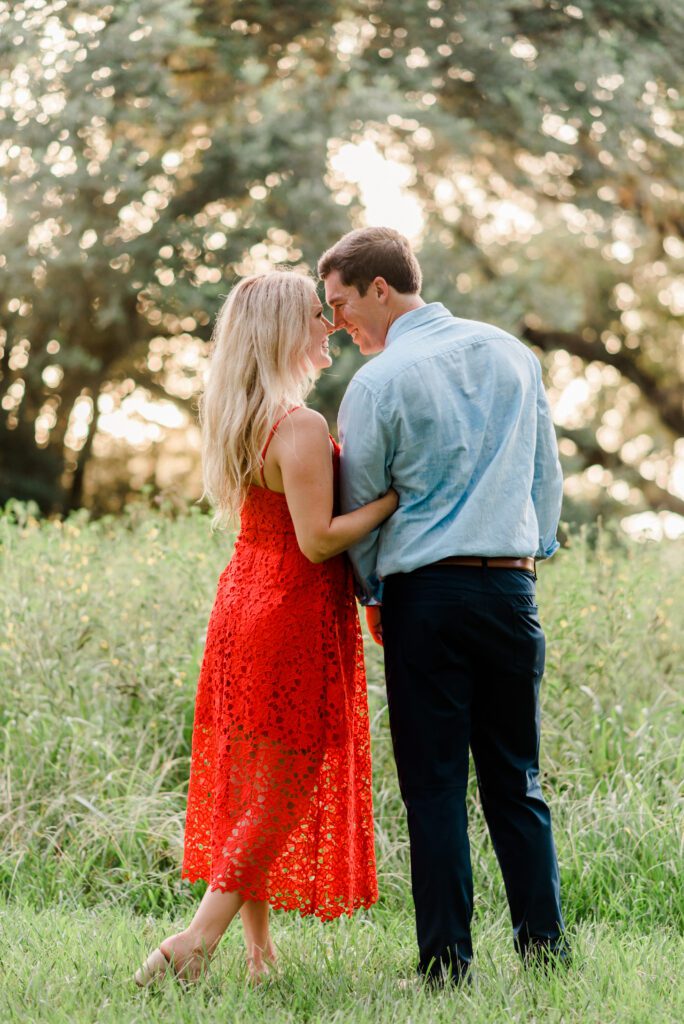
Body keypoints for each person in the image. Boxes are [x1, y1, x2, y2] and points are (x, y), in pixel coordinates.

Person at [318, 226, 568, 983]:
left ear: (380, 288)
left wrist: (371, 591)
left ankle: (447, 965)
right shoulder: (513, 355)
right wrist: (528, 556)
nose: (338, 323)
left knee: (433, 786)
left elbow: (360, 502)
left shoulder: (378, 384)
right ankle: (546, 953)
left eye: (341, 304)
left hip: (424, 597)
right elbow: (545, 475)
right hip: (511, 591)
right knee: (517, 779)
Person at [134, 271, 397, 987]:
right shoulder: (300, 424)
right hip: (290, 611)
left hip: (244, 601)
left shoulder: (243, 418)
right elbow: (318, 540)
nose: (328, 326)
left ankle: (260, 954)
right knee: (286, 784)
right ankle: (195, 941)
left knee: (257, 782)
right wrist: (393, 501)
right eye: (316, 315)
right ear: (284, 331)